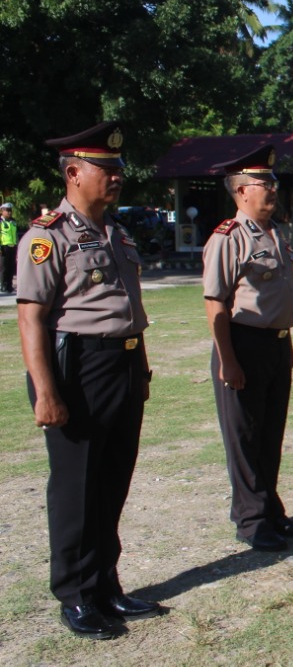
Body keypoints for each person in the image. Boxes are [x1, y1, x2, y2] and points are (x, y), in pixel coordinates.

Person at [16, 121, 161, 639]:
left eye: (120, 169)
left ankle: (106, 584)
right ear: (74, 173)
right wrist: (47, 391)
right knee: (77, 487)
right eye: (108, 169)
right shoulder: (46, 236)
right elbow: (32, 317)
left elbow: (129, 309)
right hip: (76, 368)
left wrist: (138, 365)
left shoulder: (117, 233)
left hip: (120, 364)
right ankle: (76, 595)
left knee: (113, 480)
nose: (118, 177)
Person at [203, 145, 293, 551]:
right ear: (241, 191)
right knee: (245, 436)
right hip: (243, 344)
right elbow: (215, 301)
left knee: (270, 433)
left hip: (275, 344)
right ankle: (251, 521)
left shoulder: (275, 233)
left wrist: (287, 343)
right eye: (263, 183)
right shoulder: (228, 237)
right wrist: (228, 359)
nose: (272, 189)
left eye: (273, 181)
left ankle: (271, 511)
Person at [1, 201, 19, 294]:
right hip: (4, 247)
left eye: (10, 210)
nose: (9, 212)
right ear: (2, 211)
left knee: (11, 267)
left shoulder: (13, 221)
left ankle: (9, 286)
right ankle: (3, 285)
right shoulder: (0, 222)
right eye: (7, 210)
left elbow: (15, 234)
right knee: (4, 268)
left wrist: (17, 245)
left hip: (13, 246)